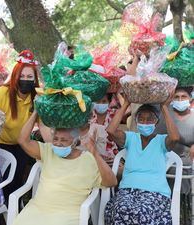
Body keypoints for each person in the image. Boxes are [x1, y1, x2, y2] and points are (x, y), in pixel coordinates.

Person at [12, 111, 117, 225]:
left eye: (63, 140)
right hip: (38, 208)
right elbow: (22, 140)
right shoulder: (48, 151)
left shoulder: (89, 159)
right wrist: (36, 113)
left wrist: (94, 152)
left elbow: (111, 182)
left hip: (67, 214)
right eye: (55, 139)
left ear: (75, 141)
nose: (58, 143)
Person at [104, 95, 180, 225]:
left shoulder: (161, 140)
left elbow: (175, 138)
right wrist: (126, 104)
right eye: (141, 119)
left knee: (141, 211)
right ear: (136, 121)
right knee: (121, 208)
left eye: (149, 119)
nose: (145, 123)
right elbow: (110, 131)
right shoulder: (131, 138)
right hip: (128, 190)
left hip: (155, 193)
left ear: (156, 122)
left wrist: (164, 107)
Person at [0, 50, 40, 199]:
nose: (25, 80)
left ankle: (14, 206)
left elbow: (45, 128)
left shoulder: (38, 99)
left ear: (35, 80)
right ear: (14, 76)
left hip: (22, 144)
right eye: (21, 76)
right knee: (2, 181)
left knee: (17, 180)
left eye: (30, 77)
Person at [156, 86, 194, 194]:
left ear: (190, 99)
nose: (180, 100)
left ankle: (181, 201)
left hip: (187, 158)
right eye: (177, 97)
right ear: (172, 99)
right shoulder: (166, 115)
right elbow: (156, 137)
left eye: (183, 97)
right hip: (165, 155)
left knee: (178, 169)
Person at [79, 94, 119, 166]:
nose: (101, 104)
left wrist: (119, 94)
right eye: (98, 102)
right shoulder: (88, 115)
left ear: (109, 102)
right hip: (90, 154)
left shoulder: (114, 114)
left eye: (104, 101)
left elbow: (127, 109)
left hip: (110, 157)